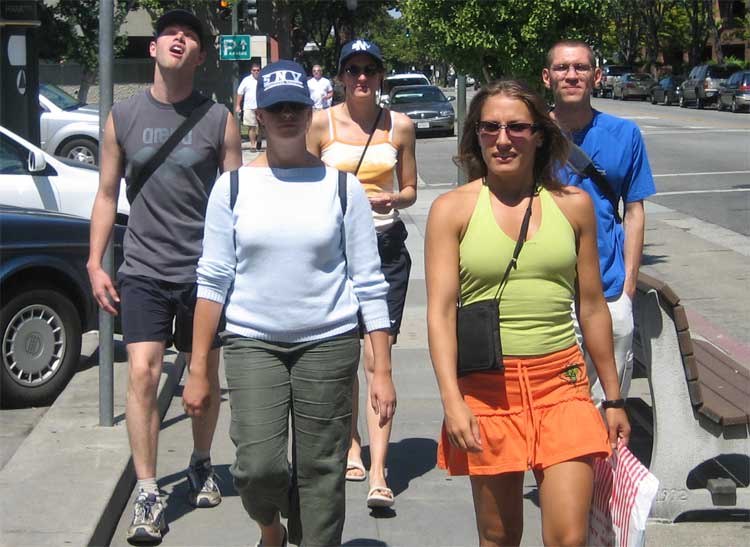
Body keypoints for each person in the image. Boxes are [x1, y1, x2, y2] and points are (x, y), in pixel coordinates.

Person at [184, 60, 396, 547]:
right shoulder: (232, 187)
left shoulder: (341, 187)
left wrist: (381, 370)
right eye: (275, 108)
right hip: (253, 343)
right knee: (256, 467)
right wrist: (198, 369)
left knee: (322, 470)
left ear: (309, 113)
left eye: (295, 108)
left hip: (328, 343)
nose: (286, 116)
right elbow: (212, 281)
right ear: (258, 115)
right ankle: (271, 529)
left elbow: (369, 282)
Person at [425, 79, 630, 546]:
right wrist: (452, 401)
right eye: (490, 127)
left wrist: (614, 397)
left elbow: (592, 306)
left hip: (562, 384)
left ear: (539, 135)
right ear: (476, 136)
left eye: (517, 127)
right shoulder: (451, 210)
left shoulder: (574, 206)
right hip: (487, 391)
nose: (503, 139)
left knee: (569, 537)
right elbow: (440, 314)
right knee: (499, 536)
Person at [87, 9, 242, 544]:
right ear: (153, 48)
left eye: (191, 37)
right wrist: (95, 262)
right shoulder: (122, 117)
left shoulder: (219, 119)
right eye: (171, 33)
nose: (180, 39)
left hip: (204, 272)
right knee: (142, 374)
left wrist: (238, 267)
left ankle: (200, 460)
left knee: (203, 375)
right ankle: (149, 490)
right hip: (144, 269)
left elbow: (234, 201)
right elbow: (106, 194)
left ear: (200, 57)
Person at [307, 38, 417, 509]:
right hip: (335, 254)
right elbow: (302, 185)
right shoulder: (320, 124)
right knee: (344, 356)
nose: (362, 78)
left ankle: (378, 470)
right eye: (352, 70)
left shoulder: (400, 126)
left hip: (385, 250)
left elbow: (410, 188)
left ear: (380, 76)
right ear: (341, 77)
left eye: (369, 69)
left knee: (378, 358)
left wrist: (395, 198)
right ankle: (351, 443)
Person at [542, 40, 656, 406]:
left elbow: (634, 210)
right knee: (558, 406)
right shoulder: (530, 135)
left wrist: (629, 286)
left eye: (581, 67)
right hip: (549, 292)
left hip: (609, 290)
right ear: (547, 77)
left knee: (609, 405)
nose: (571, 75)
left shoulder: (625, 134)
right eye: (562, 67)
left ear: (597, 76)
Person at [236, 62, 262, 151]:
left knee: (262, 127)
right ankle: (253, 145)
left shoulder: (263, 79)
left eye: (258, 70)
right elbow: (240, 93)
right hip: (249, 106)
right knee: (251, 126)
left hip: (261, 106)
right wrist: (238, 105)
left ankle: (259, 140)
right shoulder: (246, 80)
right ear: (251, 71)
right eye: (254, 70)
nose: (256, 72)